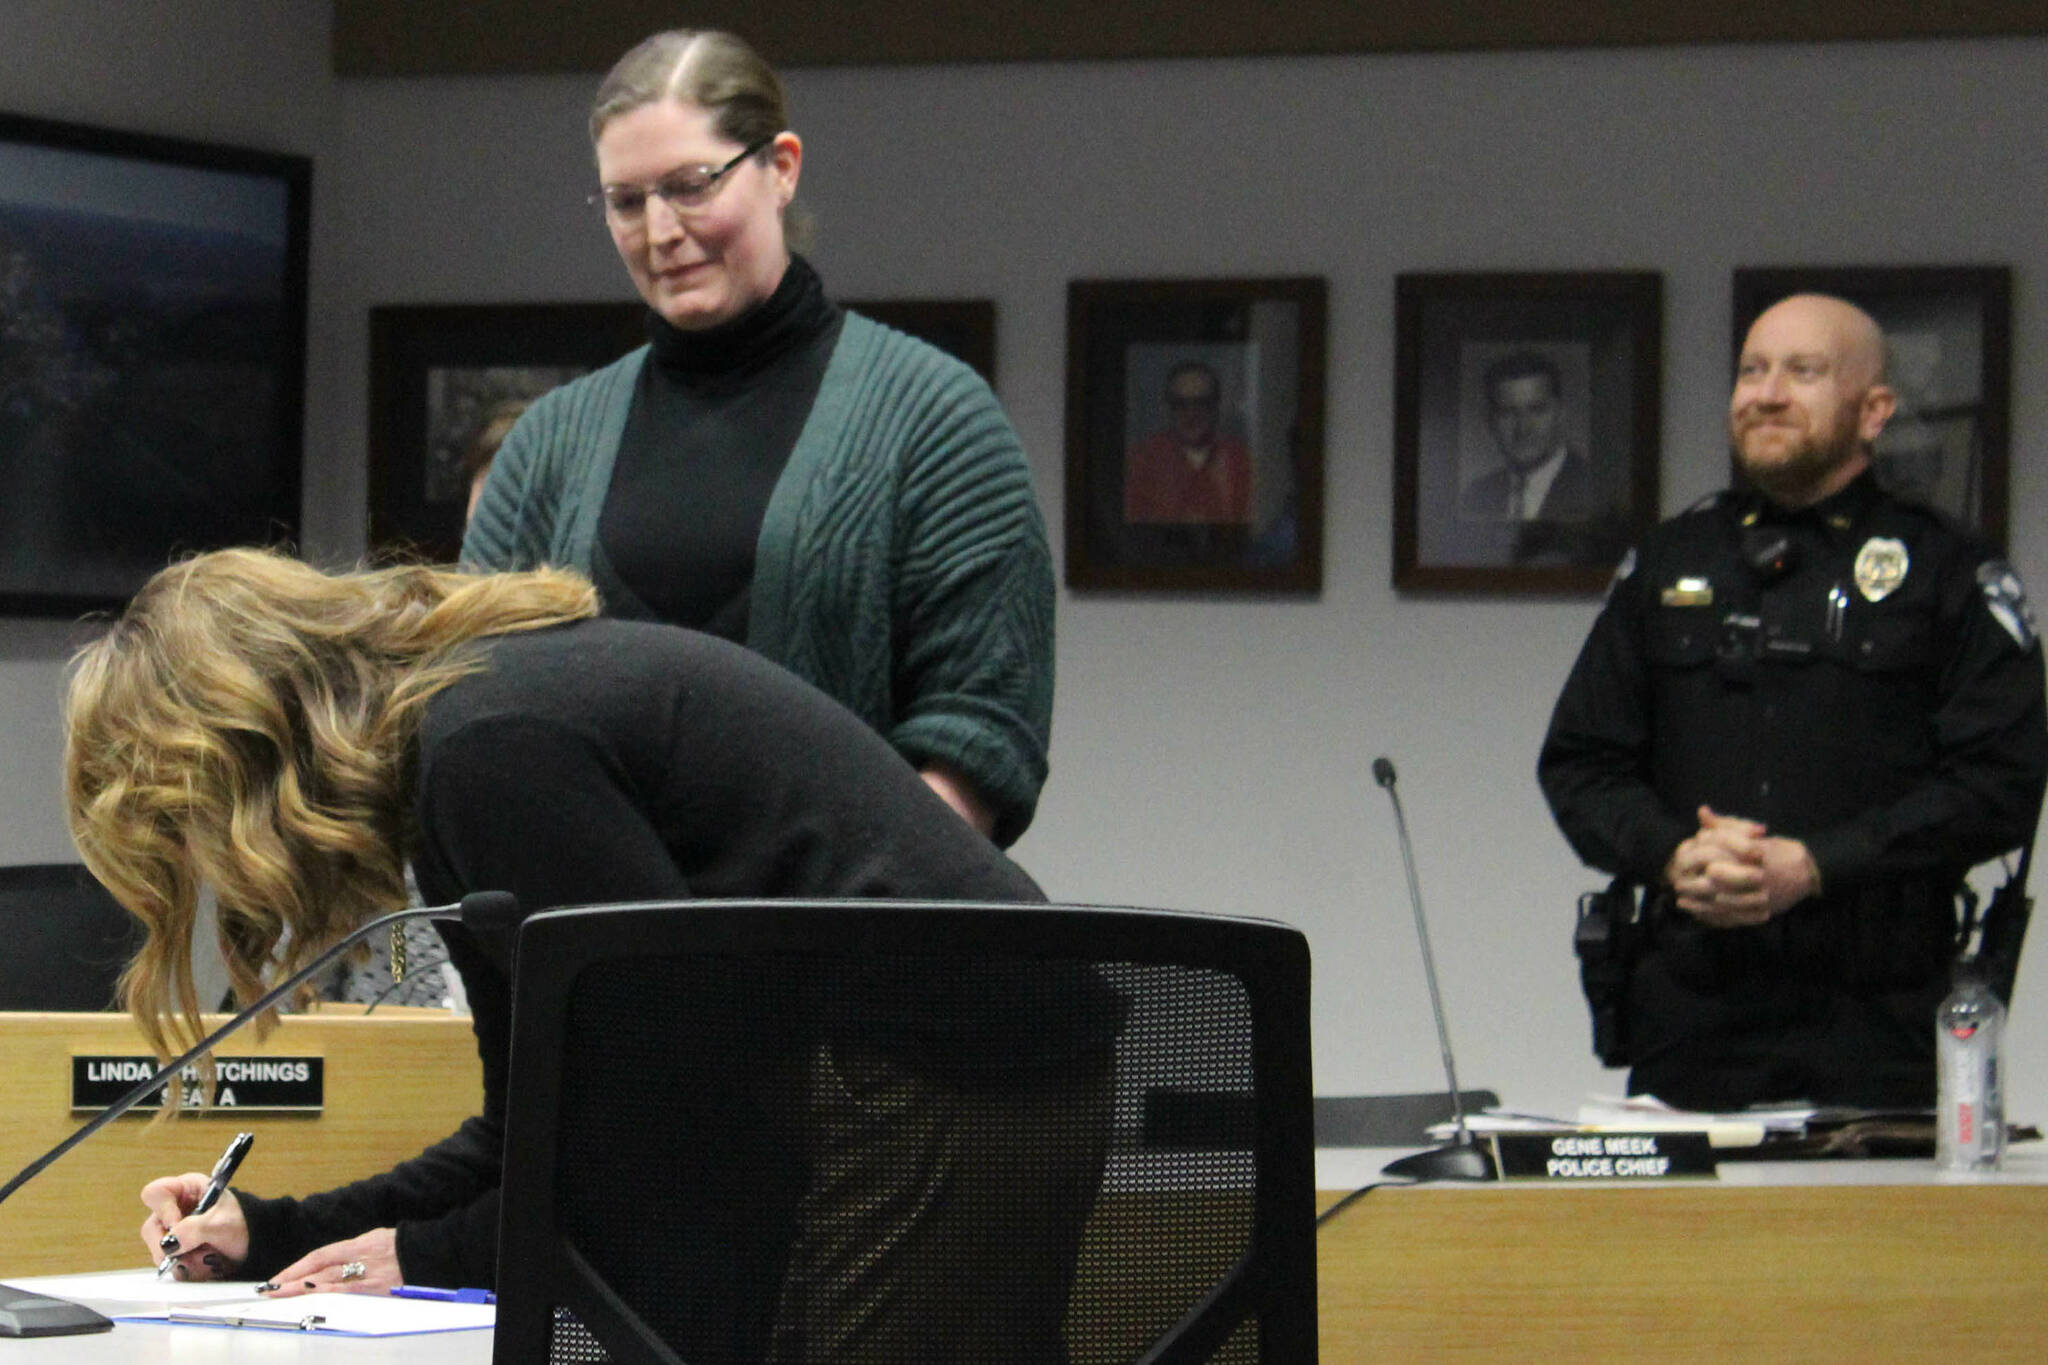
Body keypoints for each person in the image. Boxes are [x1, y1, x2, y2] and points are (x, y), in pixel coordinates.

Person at [65, 548, 1120, 1361]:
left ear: (247, 759)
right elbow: (536, 1124)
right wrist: (281, 1231)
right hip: (914, 1083)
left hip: (935, 1082)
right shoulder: (472, 728)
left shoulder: (492, 750)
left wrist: (428, 1256)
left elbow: (673, 1138)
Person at [462, 29, 1052, 848]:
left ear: (780, 168)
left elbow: (980, 732)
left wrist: (821, 925)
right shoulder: (544, 453)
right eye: (627, 201)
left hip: (853, 950)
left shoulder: (938, 421)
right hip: (599, 949)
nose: (660, 229)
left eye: (692, 185)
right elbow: (466, 706)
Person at [1538, 293, 2048, 1111]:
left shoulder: (1946, 569)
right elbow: (1579, 763)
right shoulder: (1671, 562)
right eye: (1751, 370)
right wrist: (1674, 853)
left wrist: (1814, 866)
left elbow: (2001, 784)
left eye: (1802, 371)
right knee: (1675, 1246)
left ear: (1873, 410)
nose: (1766, 392)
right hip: (1691, 1016)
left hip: (1877, 1018)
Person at [1122, 360, 1254, 524]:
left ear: (1216, 406)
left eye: (1201, 403)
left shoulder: (1240, 460)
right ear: (1167, 408)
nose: (1191, 414)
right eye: (1180, 404)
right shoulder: (1142, 460)